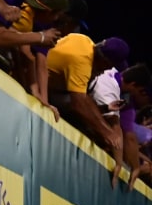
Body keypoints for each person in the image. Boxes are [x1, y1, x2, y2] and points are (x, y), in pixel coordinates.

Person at [47, 35, 130, 186]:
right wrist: (106, 133)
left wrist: (105, 109)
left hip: (51, 85)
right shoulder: (83, 63)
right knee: (87, 121)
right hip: (45, 88)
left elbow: (83, 99)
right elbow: (78, 104)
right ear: (105, 61)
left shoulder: (84, 41)